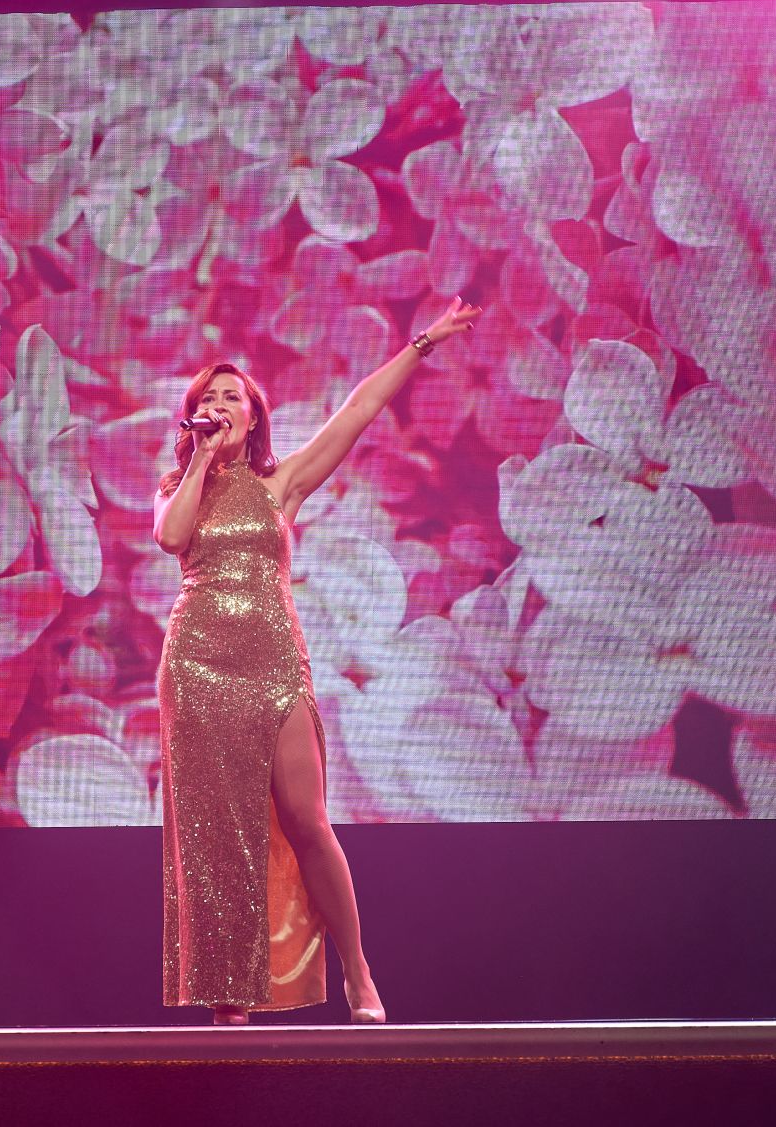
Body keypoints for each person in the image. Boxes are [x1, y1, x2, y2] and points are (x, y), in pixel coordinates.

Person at [151, 297, 484, 1025]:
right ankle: (228, 1000)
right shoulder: (176, 490)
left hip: (273, 662)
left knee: (307, 816)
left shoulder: (281, 486)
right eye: (208, 398)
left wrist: (425, 341)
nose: (219, 405)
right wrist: (200, 460)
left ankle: (358, 973)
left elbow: (358, 411)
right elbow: (172, 539)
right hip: (197, 667)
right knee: (217, 834)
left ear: (253, 418)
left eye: (232, 397)